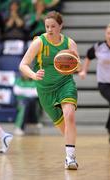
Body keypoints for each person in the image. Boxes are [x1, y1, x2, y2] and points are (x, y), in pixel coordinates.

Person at [19, 11, 81, 170]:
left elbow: (78, 66)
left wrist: (74, 62)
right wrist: (33, 75)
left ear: (61, 26)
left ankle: (70, 158)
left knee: (70, 115)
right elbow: (23, 65)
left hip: (65, 84)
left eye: (53, 26)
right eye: (47, 26)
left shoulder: (69, 43)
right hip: (45, 90)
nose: (50, 29)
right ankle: (70, 148)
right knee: (64, 128)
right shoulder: (39, 42)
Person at [78, 24, 110, 143]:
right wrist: (84, 71)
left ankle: (109, 127)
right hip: (104, 83)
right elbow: (88, 56)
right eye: (108, 33)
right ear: (105, 34)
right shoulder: (98, 47)